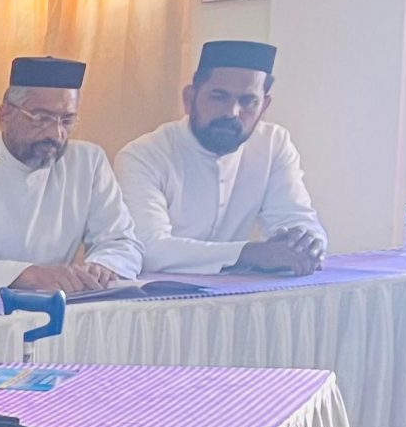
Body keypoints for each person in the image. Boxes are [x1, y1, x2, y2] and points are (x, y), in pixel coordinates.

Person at [0, 56, 144, 294]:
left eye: (66, 120)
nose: (55, 134)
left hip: (62, 305)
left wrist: (103, 266)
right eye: (41, 118)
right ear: (5, 115)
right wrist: (29, 275)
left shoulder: (88, 162)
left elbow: (122, 242)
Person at [115, 39, 327, 275]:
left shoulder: (273, 144)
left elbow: (295, 217)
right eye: (219, 97)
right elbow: (149, 249)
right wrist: (250, 254)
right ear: (189, 98)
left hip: (239, 292)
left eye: (248, 101)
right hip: (158, 294)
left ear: (264, 106)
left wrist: (307, 243)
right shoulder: (144, 155)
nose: (232, 112)